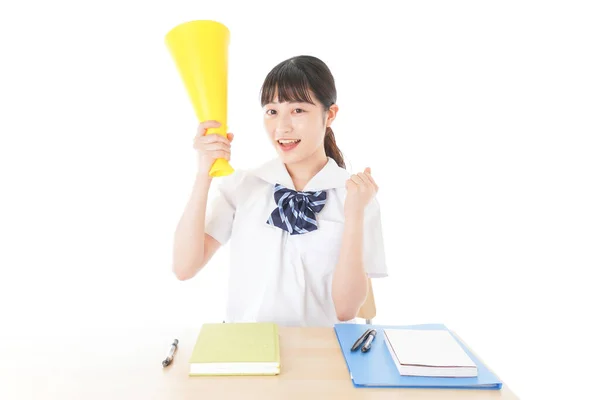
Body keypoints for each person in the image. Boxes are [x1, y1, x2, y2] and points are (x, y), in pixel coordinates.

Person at [172, 55, 387, 327]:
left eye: (298, 110)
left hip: (321, 353)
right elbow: (184, 267)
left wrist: (354, 213)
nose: (282, 127)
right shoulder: (244, 186)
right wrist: (204, 174)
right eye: (272, 111)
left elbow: (345, 310)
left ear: (329, 114)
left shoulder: (356, 195)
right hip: (246, 351)